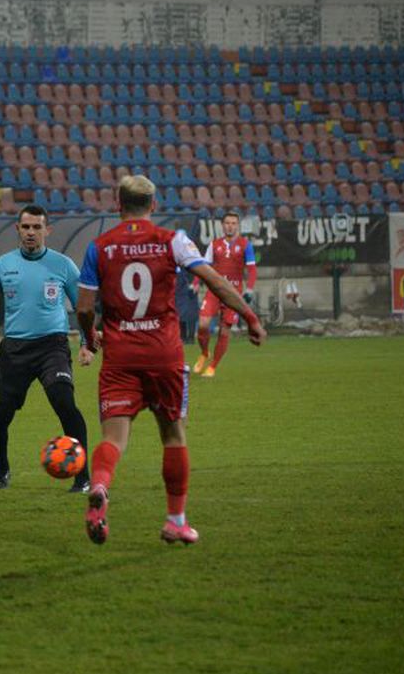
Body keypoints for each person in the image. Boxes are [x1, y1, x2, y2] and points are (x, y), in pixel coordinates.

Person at [74, 175, 266, 547]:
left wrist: (89, 336)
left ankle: (99, 486)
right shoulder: (173, 240)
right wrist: (251, 317)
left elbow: (84, 308)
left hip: (119, 357)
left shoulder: (99, 247)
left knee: (114, 437)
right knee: (173, 434)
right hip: (164, 355)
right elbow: (217, 283)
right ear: (154, 206)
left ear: (118, 205)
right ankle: (176, 520)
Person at [0, 206, 91, 493]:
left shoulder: (63, 265)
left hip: (53, 347)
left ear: (47, 230)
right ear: (18, 229)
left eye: (37, 227)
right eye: (26, 227)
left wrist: (87, 344)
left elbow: (83, 308)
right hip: (14, 351)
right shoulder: (2, 265)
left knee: (65, 404)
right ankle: (2, 470)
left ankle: (83, 477)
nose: (31, 233)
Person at [193, 211, 257, 378]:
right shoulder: (214, 245)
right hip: (214, 290)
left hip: (234, 293)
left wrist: (249, 289)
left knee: (224, 330)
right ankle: (205, 353)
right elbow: (202, 266)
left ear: (238, 225)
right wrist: (195, 283)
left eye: (233, 223)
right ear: (222, 225)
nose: (230, 226)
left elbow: (252, 269)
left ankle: (213, 366)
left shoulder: (245, 245)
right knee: (203, 325)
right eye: (227, 223)